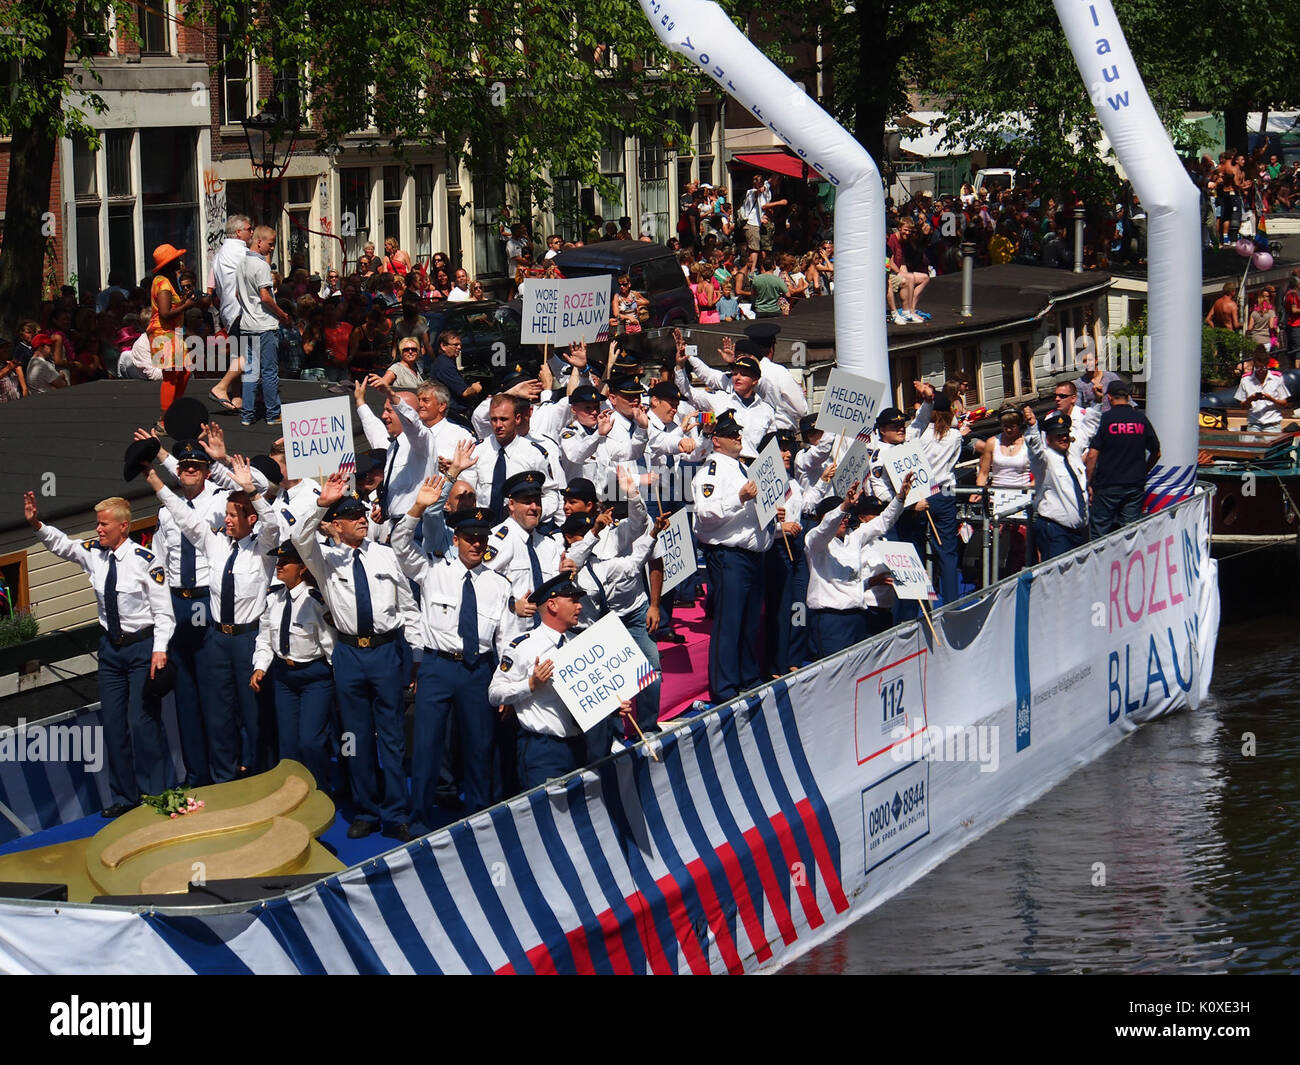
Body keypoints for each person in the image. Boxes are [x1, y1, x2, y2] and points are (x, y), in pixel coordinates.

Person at [24, 490, 173, 816]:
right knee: (115, 724)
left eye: (104, 524)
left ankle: (159, 794)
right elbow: (62, 545)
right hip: (111, 650)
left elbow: (164, 613)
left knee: (142, 722)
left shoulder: (146, 562)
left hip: (141, 649)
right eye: (97, 524)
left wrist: (159, 651)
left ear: (123, 527)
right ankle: (125, 797)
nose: (98, 530)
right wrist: (37, 523)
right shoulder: (95, 554)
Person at [292, 473, 421, 842]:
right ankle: (366, 809)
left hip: (387, 651)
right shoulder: (324, 559)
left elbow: (407, 606)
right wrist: (322, 503)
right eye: (351, 516)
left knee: (393, 736)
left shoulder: (384, 554)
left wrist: (414, 655)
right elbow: (299, 538)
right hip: (349, 652)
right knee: (355, 737)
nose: (362, 518)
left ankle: (396, 812)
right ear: (335, 526)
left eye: (363, 513)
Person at [144, 455, 279, 779]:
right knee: (219, 716)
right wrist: (157, 483)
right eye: (227, 515)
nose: (227, 520)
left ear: (249, 518)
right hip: (217, 639)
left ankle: (264, 777)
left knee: (253, 713)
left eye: (233, 515)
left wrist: (251, 491)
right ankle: (224, 780)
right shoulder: (216, 543)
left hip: (249, 639)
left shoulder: (263, 550)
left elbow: (272, 524)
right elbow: (186, 519)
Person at [394, 486, 510, 825]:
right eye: (470, 537)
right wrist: (417, 507)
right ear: (456, 539)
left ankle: (478, 816)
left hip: (479, 672)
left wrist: (503, 681)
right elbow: (400, 546)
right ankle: (418, 817)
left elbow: (504, 640)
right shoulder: (432, 571)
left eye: (482, 538)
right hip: (437, 667)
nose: (477, 544)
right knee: (427, 747)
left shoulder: (498, 585)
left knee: (479, 747)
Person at [488, 573, 633, 791]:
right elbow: (494, 693)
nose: (580, 607)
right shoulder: (524, 647)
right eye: (573, 601)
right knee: (548, 817)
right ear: (553, 605)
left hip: (582, 746)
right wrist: (530, 685)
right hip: (544, 750)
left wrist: (612, 706)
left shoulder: (580, 644)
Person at [692, 410, 771, 705]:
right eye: (731, 434)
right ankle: (724, 687)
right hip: (728, 556)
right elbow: (706, 513)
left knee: (750, 621)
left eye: (738, 433)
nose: (738, 437)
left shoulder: (741, 468)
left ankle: (748, 677)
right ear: (716, 440)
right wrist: (739, 498)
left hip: (751, 555)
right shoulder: (711, 471)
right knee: (730, 622)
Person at [250, 543, 336, 789]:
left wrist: (338, 680)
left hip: (314, 676)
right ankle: (294, 791)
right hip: (284, 676)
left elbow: (329, 643)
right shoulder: (274, 598)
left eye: (285, 562)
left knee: (310, 740)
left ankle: (321, 788)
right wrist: (260, 667)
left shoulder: (314, 602)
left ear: (301, 568)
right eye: (278, 562)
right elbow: (265, 637)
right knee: (287, 742)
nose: (279, 566)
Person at [804, 482, 907, 657]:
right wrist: (844, 506)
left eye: (846, 515)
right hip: (832, 619)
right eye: (840, 515)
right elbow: (826, 527)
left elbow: (882, 522)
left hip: (858, 617)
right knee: (835, 676)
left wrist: (900, 498)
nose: (844, 518)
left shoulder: (854, 538)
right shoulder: (815, 541)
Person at [1085, 379, 1161, 538]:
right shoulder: (1141, 419)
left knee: (1100, 534)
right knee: (1130, 533)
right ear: (1128, 397)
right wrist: (1143, 471)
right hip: (1134, 486)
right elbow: (1157, 452)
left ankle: (1101, 562)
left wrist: (1088, 482)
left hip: (1107, 485)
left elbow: (1092, 455)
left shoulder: (1105, 419)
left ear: (1110, 398)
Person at [236, 226, 291, 426]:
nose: (272, 248)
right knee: (269, 372)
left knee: (250, 372)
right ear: (260, 242)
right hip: (264, 326)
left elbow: (237, 294)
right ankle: (273, 414)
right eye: (270, 243)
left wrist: (248, 308)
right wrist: (282, 314)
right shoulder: (262, 266)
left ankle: (247, 415)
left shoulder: (241, 263)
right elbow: (265, 296)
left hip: (247, 325)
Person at [1022, 408, 1090, 561]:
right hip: (1056, 531)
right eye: (1058, 436)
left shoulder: (1073, 456)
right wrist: (1033, 427)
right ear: (1049, 439)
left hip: (1080, 530)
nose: (1064, 438)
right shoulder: (1044, 460)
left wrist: (1099, 403)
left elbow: (1089, 429)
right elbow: (1035, 451)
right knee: (1057, 577)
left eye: (1065, 435)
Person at [976, 406, 1032, 575]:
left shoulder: (1028, 442)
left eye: (1012, 425)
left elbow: (1037, 473)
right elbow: (984, 472)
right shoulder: (993, 442)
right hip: (998, 498)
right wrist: (978, 492)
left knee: (1022, 544)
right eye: (1005, 425)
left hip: (1022, 498)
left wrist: (1031, 489)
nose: (1008, 429)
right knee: (997, 544)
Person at [149, 243, 198, 430]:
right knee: (171, 376)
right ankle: (165, 419)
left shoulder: (168, 280)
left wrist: (183, 301)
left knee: (184, 370)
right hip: (163, 334)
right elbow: (165, 313)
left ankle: (174, 412)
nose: (180, 260)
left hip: (173, 333)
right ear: (170, 263)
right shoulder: (162, 284)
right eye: (177, 258)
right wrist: (186, 306)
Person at [1234, 349, 1291, 430]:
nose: (1260, 371)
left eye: (1263, 368)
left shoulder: (1277, 379)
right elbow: (1243, 406)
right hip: (1254, 424)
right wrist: (1250, 399)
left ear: (1267, 365)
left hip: (1272, 424)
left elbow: (1284, 403)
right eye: (1257, 368)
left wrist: (1271, 399)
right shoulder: (1246, 380)